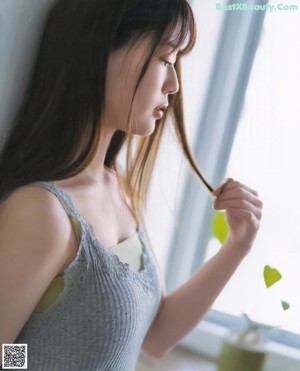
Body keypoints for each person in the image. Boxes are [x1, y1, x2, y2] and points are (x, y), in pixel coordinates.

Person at [0, 0, 263, 370]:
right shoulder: (41, 211)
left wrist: (238, 246)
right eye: (164, 58)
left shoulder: (117, 187)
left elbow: (154, 337)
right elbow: (3, 351)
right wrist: (26, 365)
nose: (173, 85)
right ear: (100, 51)